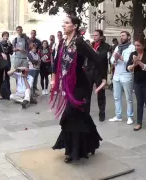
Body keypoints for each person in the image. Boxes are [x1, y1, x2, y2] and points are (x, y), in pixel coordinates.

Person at [50, 15, 104, 163]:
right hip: (68, 84)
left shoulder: (79, 42)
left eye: (67, 23)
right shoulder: (62, 42)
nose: (64, 25)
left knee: (70, 113)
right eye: (64, 23)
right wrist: (54, 79)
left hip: (80, 84)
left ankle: (74, 151)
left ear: (74, 26)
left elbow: (97, 58)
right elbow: (56, 62)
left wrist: (103, 79)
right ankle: (87, 143)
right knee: (80, 115)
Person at [127, 37, 146, 131]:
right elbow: (128, 68)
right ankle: (139, 123)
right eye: (135, 45)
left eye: (138, 45)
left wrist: (139, 62)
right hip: (137, 82)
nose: (136, 47)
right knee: (139, 103)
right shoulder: (133, 54)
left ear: (143, 45)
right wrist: (134, 64)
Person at [109, 31, 135, 125]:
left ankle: (129, 117)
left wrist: (120, 57)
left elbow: (131, 62)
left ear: (128, 37)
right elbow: (112, 60)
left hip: (126, 75)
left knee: (129, 98)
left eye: (123, 36)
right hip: (117, 75)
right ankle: (118, 116)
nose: (121, 37)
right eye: (121, 36)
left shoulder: (132, 48)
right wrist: (115, 59)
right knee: (117, 97)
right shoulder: (117, 47)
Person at [84, 30, 108, 122]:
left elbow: (101, 56)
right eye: (93, 35)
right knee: (87, 94)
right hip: (89, 72)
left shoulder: (105, 46)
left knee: (101, 94)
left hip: (100, 73)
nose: (94, 37)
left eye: (96, 35)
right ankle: (86, 113)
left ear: (101, 36)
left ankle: (102, 114)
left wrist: (91, 49)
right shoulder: (91, 44)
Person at [0, 31, 14, 99]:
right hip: (1, 61)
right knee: (0, 76)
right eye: (5, 36)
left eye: (7, 36)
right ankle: (0, 92)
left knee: (7, 76)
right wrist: (1, 53)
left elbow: (11, 53)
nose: (6, 37)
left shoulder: (9, 44)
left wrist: (10, 45)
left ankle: (8, 91)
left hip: (8, 61)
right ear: (2, 36)